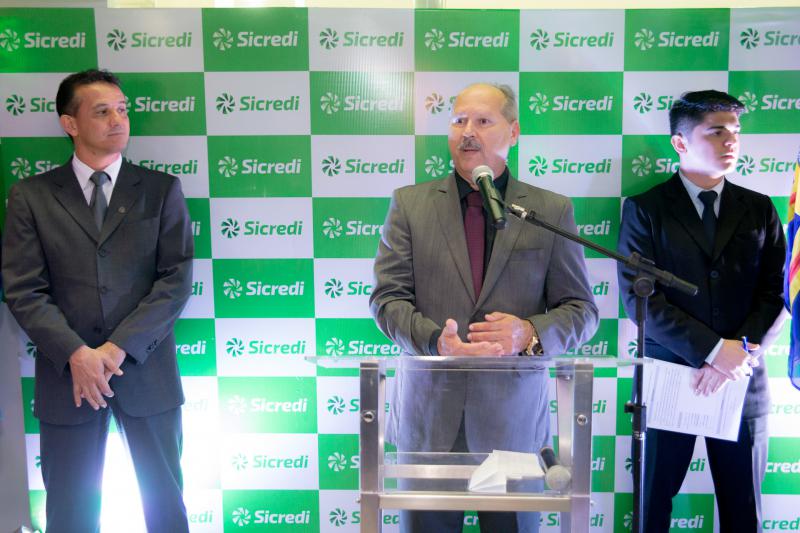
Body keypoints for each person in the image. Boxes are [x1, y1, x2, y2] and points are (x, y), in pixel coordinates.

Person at [369, 83, 598, 533]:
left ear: (513, 132)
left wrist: (528, 333)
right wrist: (436, 341)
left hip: (513, 423)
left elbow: (581, 310)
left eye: (483, 121)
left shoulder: (549, 210)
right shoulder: (410, 204)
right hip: (429, 420)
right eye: (459, 121)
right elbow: (387, 298)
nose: (467, 131)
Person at [2, 69, 194, 532]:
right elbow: (23, 288)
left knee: (166, 509)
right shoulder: (32, 196)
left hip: (146, 374)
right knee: (69, 512)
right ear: (70, 123)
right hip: (68, 379)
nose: (118, 120)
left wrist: (116, 349)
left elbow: (175, 281)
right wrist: (76, 354)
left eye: (123, 110)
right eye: (103, 111)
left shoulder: (160, 190)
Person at [617, 90, 785, 532]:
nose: (731, 141)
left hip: (743, 381)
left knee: (743, 511)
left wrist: (738, 352)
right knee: (652, 509)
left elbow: (777, 293)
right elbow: (641, 300)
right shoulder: (645, 209)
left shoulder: (759, 208)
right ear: (680, 142)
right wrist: (712, 351)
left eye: (735, 132)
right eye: (716, 131)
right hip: (670, 377)